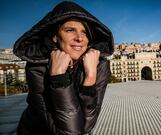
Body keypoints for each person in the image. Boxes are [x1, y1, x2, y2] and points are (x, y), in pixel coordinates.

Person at [13, 1, 114, 135]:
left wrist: (90, 77)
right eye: (70, 30)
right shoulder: (38, 66)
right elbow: (70, 132)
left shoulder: (98, 64)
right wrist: (58, 77)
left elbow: (87, 126)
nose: (79, 38)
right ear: (55, 36)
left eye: (84, 32)